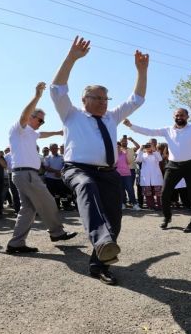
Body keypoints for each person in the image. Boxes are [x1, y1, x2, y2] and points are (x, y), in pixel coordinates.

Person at [51, 36, 148, 285]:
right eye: (97, 98)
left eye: (106, 99)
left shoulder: (112, 118)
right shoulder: (71, 114)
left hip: (108, 172)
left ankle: (99, 263)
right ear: (85, 100)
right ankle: (102, 240)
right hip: (77, 169)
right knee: (86, 186)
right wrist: (72, 58)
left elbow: (136, 99)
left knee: (114, 219)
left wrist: (141, 71)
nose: (103, 103)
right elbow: (57, 89)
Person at [6, 82, 78, 254]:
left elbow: (42, 134)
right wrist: (37, 96)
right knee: (48, 201)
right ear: (31, 117)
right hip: (26, 174)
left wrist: (58, 133)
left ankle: (16, 244)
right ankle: (57, 233)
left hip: (24, 174)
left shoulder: (31, 132)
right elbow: (24, 116)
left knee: (28, 210)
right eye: (40, 120)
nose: (42, 123)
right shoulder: (19, 128)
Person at [44, 143, 73, 210]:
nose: (55, 149)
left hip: (60, 178)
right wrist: (56, 171)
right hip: (50, 178)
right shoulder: (47, 158)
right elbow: (46, 167)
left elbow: (65, 166)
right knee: (52, 193)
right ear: (50, 149)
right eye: (53, 148)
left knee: (62, 193)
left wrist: (60, 172)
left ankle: (65, 205)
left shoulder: (62, 157)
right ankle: (56, 206)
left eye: (56, 148)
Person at [135, 142, 163, 210]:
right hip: (146, 177)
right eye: (147, 146)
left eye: (149, 146)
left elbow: (160, 159)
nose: (148, 148)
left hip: (156, 176)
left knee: (158, 193)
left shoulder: (156, 154)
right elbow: (138, 160)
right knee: (148, 193)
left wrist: (154, 149)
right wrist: (141, 149)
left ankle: (160, 206)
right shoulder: (143, 155)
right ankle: (151, 206)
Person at [116, 141, 141, 210]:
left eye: (118, 147)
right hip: (118, 175)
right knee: (121, 190)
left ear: (120, 147)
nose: (117, 148)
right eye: (115, 147)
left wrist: (126, 154)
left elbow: (129, 162)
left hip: (127, 174)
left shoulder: (125, 153)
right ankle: (123, 203)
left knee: (130, 189)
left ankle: (135, 204)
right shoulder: (113, 155)